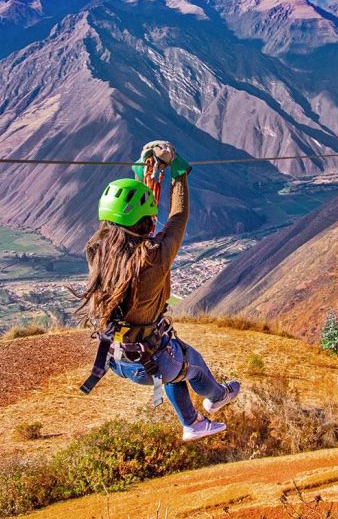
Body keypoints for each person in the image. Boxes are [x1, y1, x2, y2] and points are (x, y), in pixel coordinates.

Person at [74, 140, 241, 441]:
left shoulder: (96, 253)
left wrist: (144, 173)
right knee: (194, 365)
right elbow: (178, 217)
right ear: (146, 222)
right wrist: (179, 172)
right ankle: (219, 396)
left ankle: (192, 422)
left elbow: (113, 226)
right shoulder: (155, 256)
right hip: (149, 361)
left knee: (173, 366)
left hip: (115, 359)